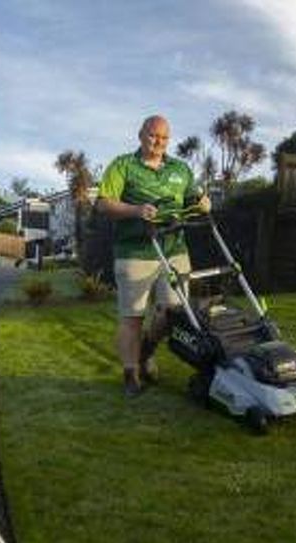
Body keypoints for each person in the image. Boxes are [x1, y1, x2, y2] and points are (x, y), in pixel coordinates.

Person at [95, 115, 210, 397]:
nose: (158, 141)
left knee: (174, 312)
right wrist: (135, 211)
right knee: (132, 316)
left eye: (163, 137)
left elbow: (193, 198)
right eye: (152, 135)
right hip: (136, 251)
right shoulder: (123, 165)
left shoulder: (180, 169)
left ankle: (146, 349)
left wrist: (203, 203)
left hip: (174, 249)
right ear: (140, 134)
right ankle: (131, 374)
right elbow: (102, 203)